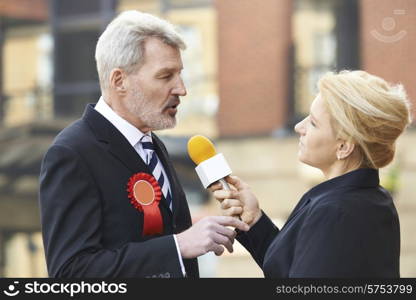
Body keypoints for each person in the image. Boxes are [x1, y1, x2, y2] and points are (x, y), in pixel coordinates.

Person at [39, 10, 249, 278]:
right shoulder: (72, 153)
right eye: (165, 76)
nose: (181, 89)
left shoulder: (153, 145)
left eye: (180, 74)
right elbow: (70, 273)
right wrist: (179, 246)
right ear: (120, 81)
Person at [211, 70, 412, 277]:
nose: (299, 127)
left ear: (344, 146)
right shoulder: (370, 198)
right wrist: (253, 220)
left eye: (314, 123)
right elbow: (292, 268)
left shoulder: (335, 210)